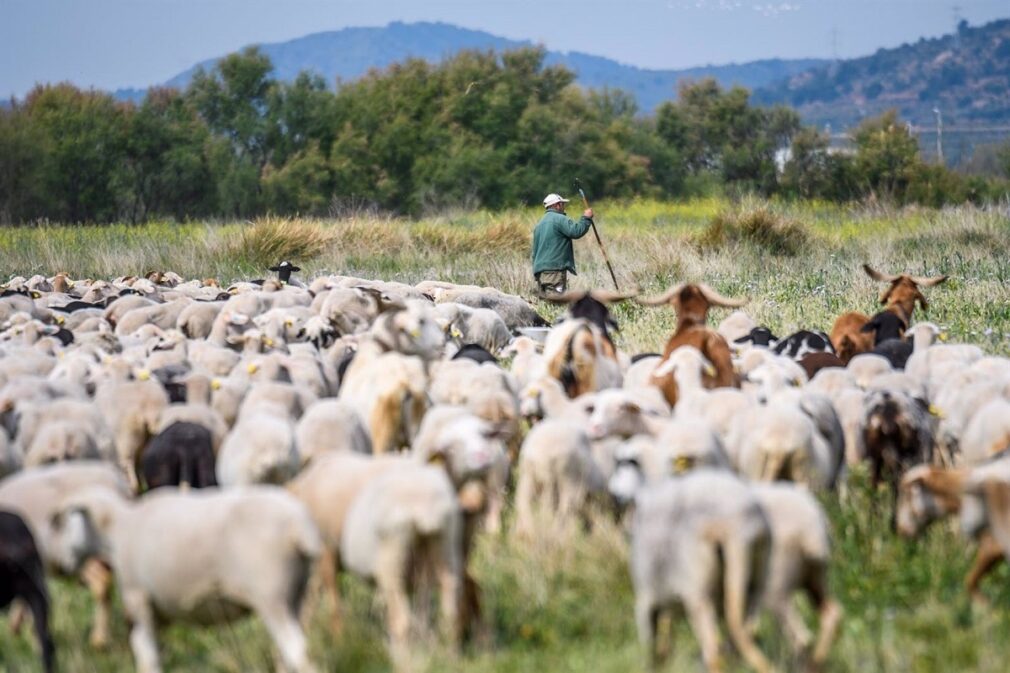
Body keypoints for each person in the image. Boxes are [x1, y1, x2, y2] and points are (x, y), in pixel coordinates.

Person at [531, 193, 594, 294]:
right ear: (557, 205)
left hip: (540, 271)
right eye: (563, 204)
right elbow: (576, 231)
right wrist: (586, 218)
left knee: (546, 303)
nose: (564, 207)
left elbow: (534, 252)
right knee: (556, 301)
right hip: (554, 271)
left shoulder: (539, 224)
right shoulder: (559, 218)